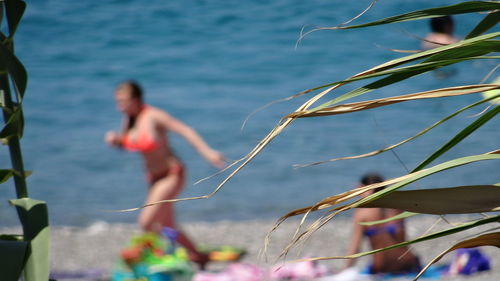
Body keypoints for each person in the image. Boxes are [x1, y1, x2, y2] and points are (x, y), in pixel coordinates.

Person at [105, 81, 225, 268]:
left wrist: (207, 152)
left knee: (146, 222)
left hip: (172, 174)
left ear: (135, 99)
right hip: (154, 179)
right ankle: (199, 256)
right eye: (117, 101)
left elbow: (185, 130)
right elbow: (130, 143)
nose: (119, 106)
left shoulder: (153, 116)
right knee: (167, 226)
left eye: (123, 101)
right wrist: (117, 141)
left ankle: (150, 258)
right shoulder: (129, 120)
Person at [345, 173, 421, 274]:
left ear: (369, 190)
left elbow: (355, 247)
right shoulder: (397, 207)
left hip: (383, 269)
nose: (357, 194)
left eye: (359, 189)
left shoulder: (362, 213)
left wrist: (345, 271)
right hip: (409, 264)